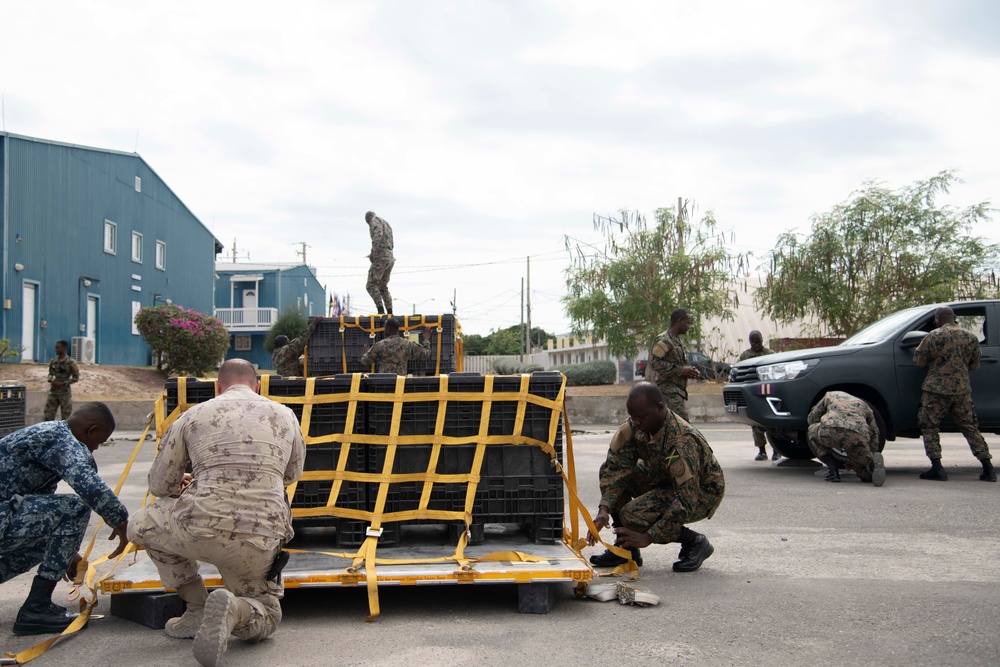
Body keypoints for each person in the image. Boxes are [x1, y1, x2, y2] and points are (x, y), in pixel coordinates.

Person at [127, 359, 305, 667]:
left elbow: (159, 485)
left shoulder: (193, 415)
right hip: (260, 537)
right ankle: (235, 610)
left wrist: (195, 478)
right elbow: (290, 475)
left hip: (199, 528)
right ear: (258, 385)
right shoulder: (285, 416)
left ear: (217, 387)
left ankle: (196, 607)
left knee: (143, 522)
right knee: (267, 613)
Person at [0, 402, 129, 635]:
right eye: (98, 442)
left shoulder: (47, 435)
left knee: (49, 538)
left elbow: (36, 506)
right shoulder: (61, 440)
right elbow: (90, 487)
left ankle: (37, 606)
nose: (95, 449)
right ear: (92, 430)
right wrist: (123, 524)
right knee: (76, 507)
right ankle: (36, 610)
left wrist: (66, 553)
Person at [588, 382, 725, 572]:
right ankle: (626, 548)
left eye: (641, 417)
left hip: (702, 492)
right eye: (633, 417)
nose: (636, 422)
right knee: (611, 471)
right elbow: (616, 468)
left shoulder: (680, 441)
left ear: (660, 408)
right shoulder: (636, 426)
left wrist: (649, 536)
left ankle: (695, 542)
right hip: (665, 479)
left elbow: (686, 500)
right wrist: (604, 509)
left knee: (632, 514)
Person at [913, 306, 995, 482]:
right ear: (954, 318)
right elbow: (974, 365)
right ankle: (988, 467)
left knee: (929, 426)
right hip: (961, 390)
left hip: (936, 390)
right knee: (970, 427)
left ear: (937, 319)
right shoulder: (970, 337)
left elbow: (919, 361)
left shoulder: (933, 336)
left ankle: (937, 467)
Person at [806, 390, 886, 486]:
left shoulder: (830, 395)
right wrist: (870, 454)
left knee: (811, 431)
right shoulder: (865, 405)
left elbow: (811, 419)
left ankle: (833, 471)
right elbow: (874, 433)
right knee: (864, 473)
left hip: (830, 430)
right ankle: (870, 468)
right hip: (857, 435)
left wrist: (823, 419)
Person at [645, 308, 701, 421]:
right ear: (680, 321)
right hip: (668, 393)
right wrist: (681, 370)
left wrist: (689, 371)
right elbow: (654, 363)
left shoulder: (678, 341)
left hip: (677, 393)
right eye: (687, 323)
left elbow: (679, 364)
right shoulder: (665, 340)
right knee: (683, 430)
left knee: (673, 430)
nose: (689, 326)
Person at [738, 331, 779, 461]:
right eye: (754, 343)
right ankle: (761, 450)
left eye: (759, 342)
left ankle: (776, 451)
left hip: (769, 392)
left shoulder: (770, 355)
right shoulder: (745, 356)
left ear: (762, 340)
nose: (756, 345)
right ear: (750, 342)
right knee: (756, 424)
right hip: (754, 393)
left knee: (773, 424)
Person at [360, 317, 432, 375]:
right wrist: (426, 339)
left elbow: (365, 361)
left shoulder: (380, 345)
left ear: (388, 329)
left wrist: (366, 353)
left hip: (383, 384)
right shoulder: (407, 344)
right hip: (400, 385)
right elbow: (425, 354)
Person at [365, 211, 395, 315]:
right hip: (390, 257)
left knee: (371, 285)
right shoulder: (386, 223)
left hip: (381, 257)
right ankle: (390, 312)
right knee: (382, 285)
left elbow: (378, 234)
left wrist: (373, 252)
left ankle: (380, 311)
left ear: (368, 218)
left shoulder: (375, 220)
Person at [44, 339, 80, 421]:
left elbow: (76, 378)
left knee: (66, 416)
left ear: (64, 349)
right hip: (53, 392)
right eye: (56, 348)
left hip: (64, 393)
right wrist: (51, 380)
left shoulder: (71, 362)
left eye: (58, 348)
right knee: (48, 415)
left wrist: (63, 383)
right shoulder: (53, 361)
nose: (56, 350)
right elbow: (50, 374)